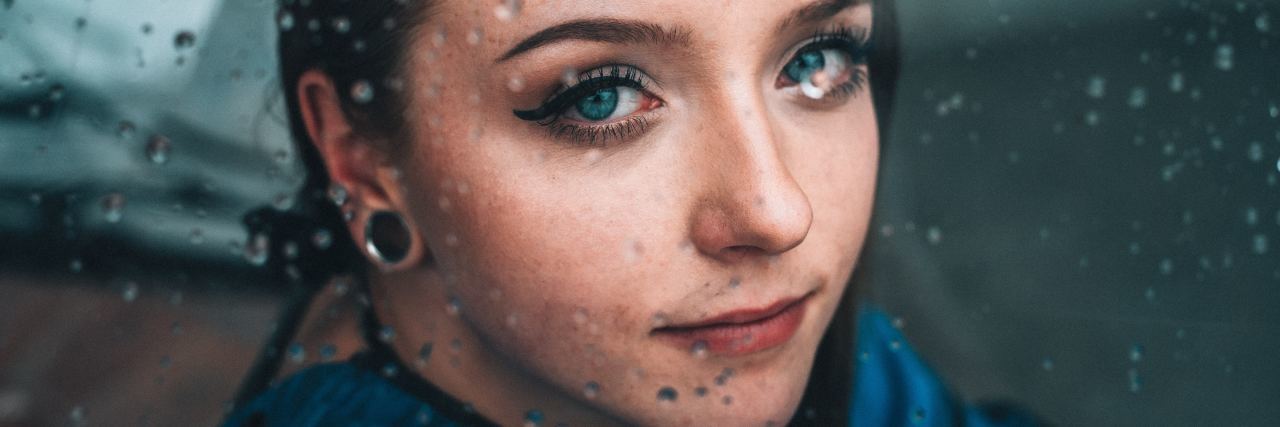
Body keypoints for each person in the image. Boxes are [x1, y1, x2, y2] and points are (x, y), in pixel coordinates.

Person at [225, 0, 1038, 425]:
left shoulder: (835, 358)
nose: (778, 211)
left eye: (815, 61)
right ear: (361, 158)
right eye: (601, 96)